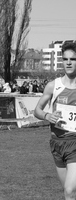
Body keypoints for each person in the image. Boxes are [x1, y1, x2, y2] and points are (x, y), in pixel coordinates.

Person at [34, 42, 76, 200]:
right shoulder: (53, 86)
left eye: (73, 59)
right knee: (68, 192)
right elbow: (37, 110)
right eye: (65, 59)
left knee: (70, 190)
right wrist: (47, 116)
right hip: (57, 143)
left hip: (75, 142)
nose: (69, 62)